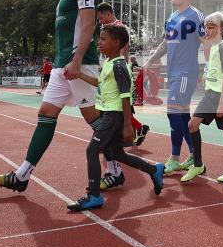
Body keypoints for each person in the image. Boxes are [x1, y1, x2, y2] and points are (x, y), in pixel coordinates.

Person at [0, 0, 107, 193]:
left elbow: (88, 25)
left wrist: (76, 60)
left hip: (78, 63)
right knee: (46, 113)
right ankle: (22, 175)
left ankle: (115, 170)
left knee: (93, 118)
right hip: (63, 64)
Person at [67, 25, 165, 211]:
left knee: (92, 150)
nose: (99, 43)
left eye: (103, 39)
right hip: (106, 113)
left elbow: (125, 96)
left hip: (114, 115)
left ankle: (94, 196)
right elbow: (99, 83)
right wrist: (79, 75)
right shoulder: (109, 63)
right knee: (118, 154)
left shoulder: (120, 66)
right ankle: (154, 170)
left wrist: (128, 125)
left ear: (117, 42)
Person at [143, 0, 206, 175]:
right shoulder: (172, 17)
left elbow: (206, 41)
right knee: (183, 115)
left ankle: (175, 158)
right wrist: (149, 61)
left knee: (173, 113)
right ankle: (195, 156)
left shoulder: (195, 15)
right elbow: (165, 44)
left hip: (186, 72)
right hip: (173, 72)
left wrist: (212, 67)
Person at [182, 12, 223, 183]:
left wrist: (222, 103)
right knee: (192, 125)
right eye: (206, 27)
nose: (208, 30)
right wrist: (206, 76)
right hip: (210, 95)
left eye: (212, 27)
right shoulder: (213, 48)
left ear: (221, 29)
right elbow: (215, 69)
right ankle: (198, 164)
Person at [95, 2, 150, 150]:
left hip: (119, 72)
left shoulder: (118, 28)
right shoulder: (111, 28)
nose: (100, 22)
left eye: (101, 18)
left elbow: (124, 52)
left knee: (120, 107)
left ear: (108, 14)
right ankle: (137, 128)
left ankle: (130, 132)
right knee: (118, 107)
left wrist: (122, 70)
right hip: (115, 69)